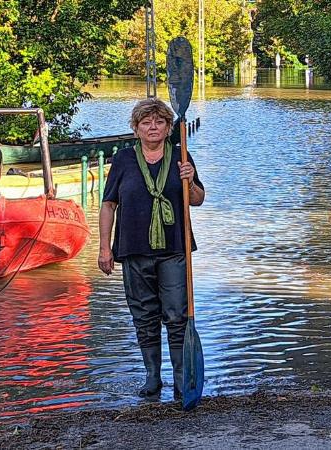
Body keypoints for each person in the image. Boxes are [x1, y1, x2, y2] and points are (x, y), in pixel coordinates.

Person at [98, 97, 205, 399]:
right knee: (143, 315)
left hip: (174, 249)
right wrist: (104, 248)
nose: (153, 127)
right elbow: (108, 205)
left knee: (176, 315)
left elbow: (197, 199)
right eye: (146, 122)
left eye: (159, 121)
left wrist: (190, 181)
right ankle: (152, 378)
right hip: (133, 249)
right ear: (136, 128)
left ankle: (182, 380)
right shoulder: (123, 160)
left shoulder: (182, 154)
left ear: (169, 127)